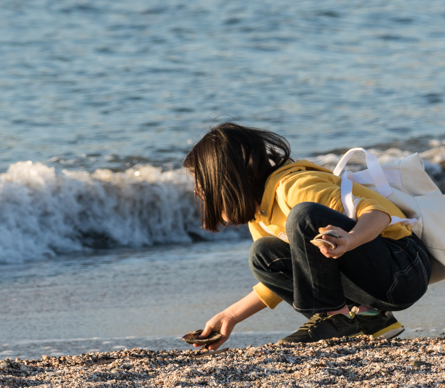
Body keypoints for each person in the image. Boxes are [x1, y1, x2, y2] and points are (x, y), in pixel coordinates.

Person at [185, 123, 431, 348]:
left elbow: (379, 213)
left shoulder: (293, 186)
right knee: (263, 255)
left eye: (201, 182)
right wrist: (230, 316)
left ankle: (333, 320)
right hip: (372, 285)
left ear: (225, 179)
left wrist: (351, 239)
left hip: (403, 268)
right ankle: (368, 320)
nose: (198, 190)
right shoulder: (260, 215)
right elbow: (295, 275)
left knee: (305, 215)